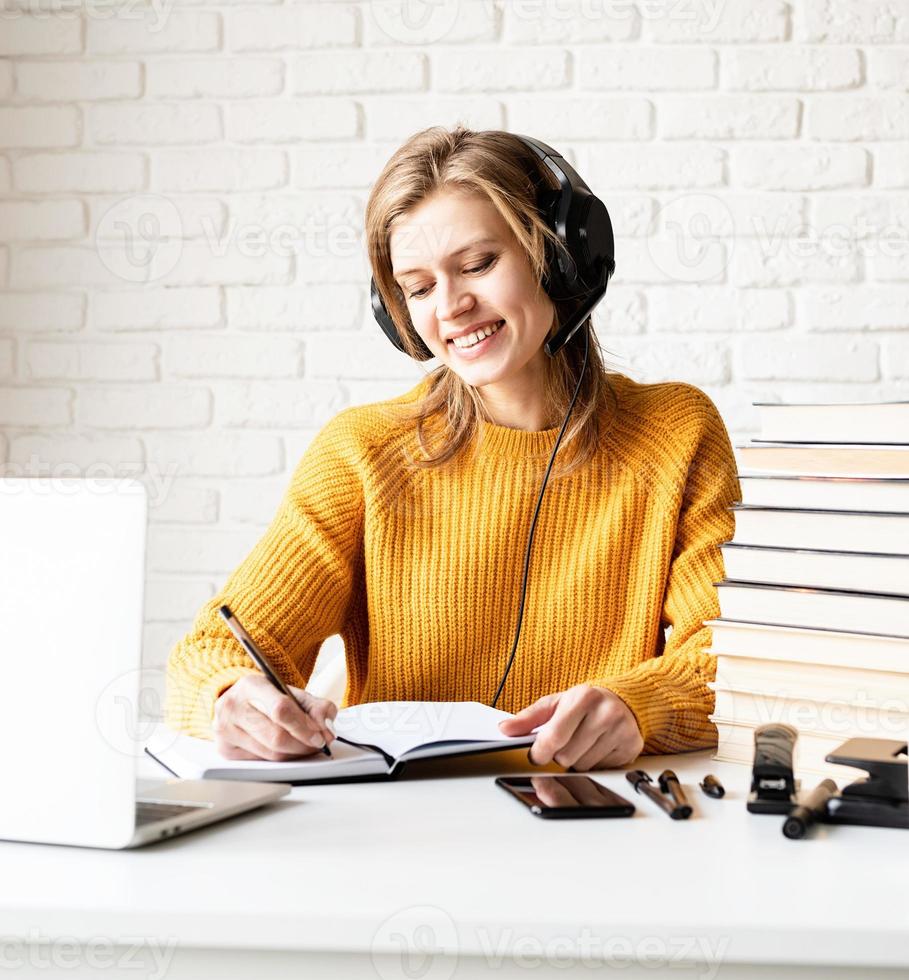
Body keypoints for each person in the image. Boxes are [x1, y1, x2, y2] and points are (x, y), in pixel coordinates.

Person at [165, 125, 741, 772]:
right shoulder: (362, 452)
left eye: (477, 265)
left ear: (560, 256)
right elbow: (213, 649)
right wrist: (231, 700)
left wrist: (641, 706)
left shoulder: (675, 431)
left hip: (596, 823)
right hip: (402, 834)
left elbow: (733, 661)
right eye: (418, 287)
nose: (452, 307)